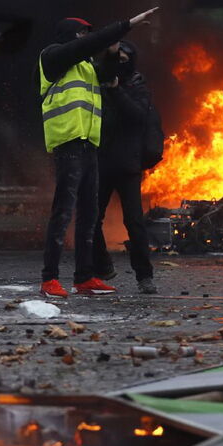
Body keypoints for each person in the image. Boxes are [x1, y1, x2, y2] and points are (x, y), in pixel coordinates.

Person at [38, 7, 158, 298]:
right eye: (81, 33)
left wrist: (114, 50)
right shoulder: (53, 56)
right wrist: (125, 25)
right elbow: (86, 46)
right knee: (63, 212)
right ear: (69, 35)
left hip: (89, 144)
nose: (85, 38)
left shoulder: (87, 66)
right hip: (68, 142)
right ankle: (49, 278)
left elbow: (109, 73)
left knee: (89, 215)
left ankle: (84, 277)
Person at [92, 40, 157, 294]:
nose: (119, 64)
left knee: (134, 222)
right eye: (115, 60)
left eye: (122, 60)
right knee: (91, 218)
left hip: (127, 164)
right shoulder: (97, 82)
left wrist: (116, 90)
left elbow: (137, 116)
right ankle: (102, 266)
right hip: (101, 161)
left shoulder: (137, 85)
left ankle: (144, 276)